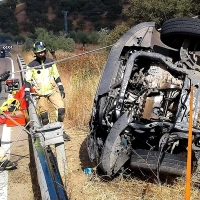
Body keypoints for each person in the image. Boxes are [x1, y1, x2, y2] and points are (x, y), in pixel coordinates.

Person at [24, 41, 70, 141]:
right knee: (44, 116)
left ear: (45, 51)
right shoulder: (31, 66)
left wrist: (61, 87)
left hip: (53, 90)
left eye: (42, 52)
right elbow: (27, 80)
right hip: (40, 93)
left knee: (61, 110)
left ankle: (60, 130)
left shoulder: (50, 62)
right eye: (38, 52)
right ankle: (47, 134)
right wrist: (27, 93)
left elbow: (56, 76)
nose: (41, 54)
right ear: (35, 53)